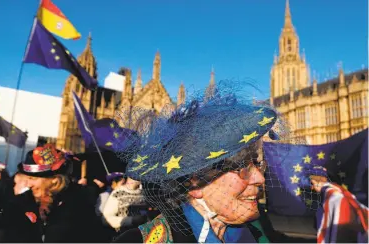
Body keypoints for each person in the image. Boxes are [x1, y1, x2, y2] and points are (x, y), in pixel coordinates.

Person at [114, 85, 282, 243]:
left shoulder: (260, 232)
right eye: (241, 168)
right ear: (195, 183)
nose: (260, 177)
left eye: (257, 163)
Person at [0, 143, 104, 242]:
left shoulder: (80, 201)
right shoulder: (26, 200)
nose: (29, 184)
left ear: (54, 180)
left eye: (33, 179)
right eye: (28, 178)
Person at [310, 167, 369, 243]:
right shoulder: (339, 191)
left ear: (319, 182)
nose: (312, 187)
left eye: (313, 183)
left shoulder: (332, 195)